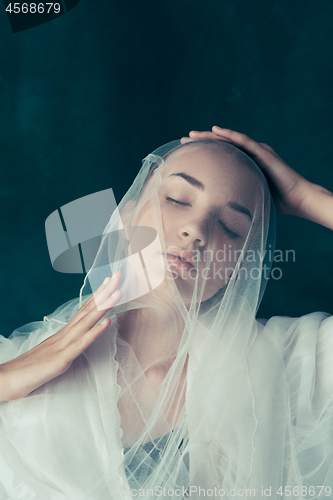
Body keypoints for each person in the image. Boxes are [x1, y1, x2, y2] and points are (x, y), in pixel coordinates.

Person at [0, 126, 332, 500]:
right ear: (125, 217)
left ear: (243, 266)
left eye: (231, 227)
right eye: (176, 199)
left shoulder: (290, 363)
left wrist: (310, 198)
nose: (196, 230)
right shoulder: (19, 369)